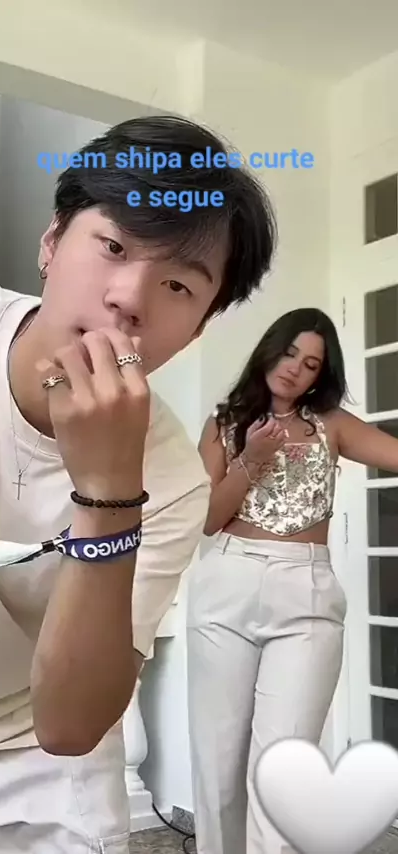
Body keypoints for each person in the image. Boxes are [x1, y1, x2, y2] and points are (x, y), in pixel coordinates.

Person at [0, 114, 276, 853]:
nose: (129, 298)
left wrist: (109, 487)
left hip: (42, 741)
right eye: (113, 246)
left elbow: (70, 725)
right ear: (51, 243)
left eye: (177, 283)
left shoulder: (172, 477)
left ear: (196, 330)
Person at [187, 306, 398, 854]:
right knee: (218, 760)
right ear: (269, 349)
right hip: (229, 579)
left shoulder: (331, 425)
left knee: (284, 767)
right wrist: (252, 459)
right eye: (289, 353)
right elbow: (207, 519)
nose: (295, 369)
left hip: (306, 590)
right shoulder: (224, 424)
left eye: (310, 364)